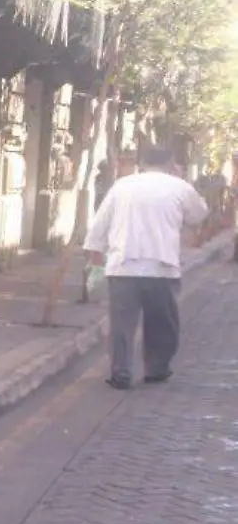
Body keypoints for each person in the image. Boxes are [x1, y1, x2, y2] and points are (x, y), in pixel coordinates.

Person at [84, 144, 208, 389]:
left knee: (121, 324)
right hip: (162, 267)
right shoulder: (180, 187)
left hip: (123, 266)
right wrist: (181, 179)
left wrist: (95, 257)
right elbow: (198, 215)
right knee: (162, 322)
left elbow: (100, 224)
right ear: (171, 162)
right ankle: (156, 368)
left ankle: (121, 373)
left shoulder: (122, 186)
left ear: (142, 163)